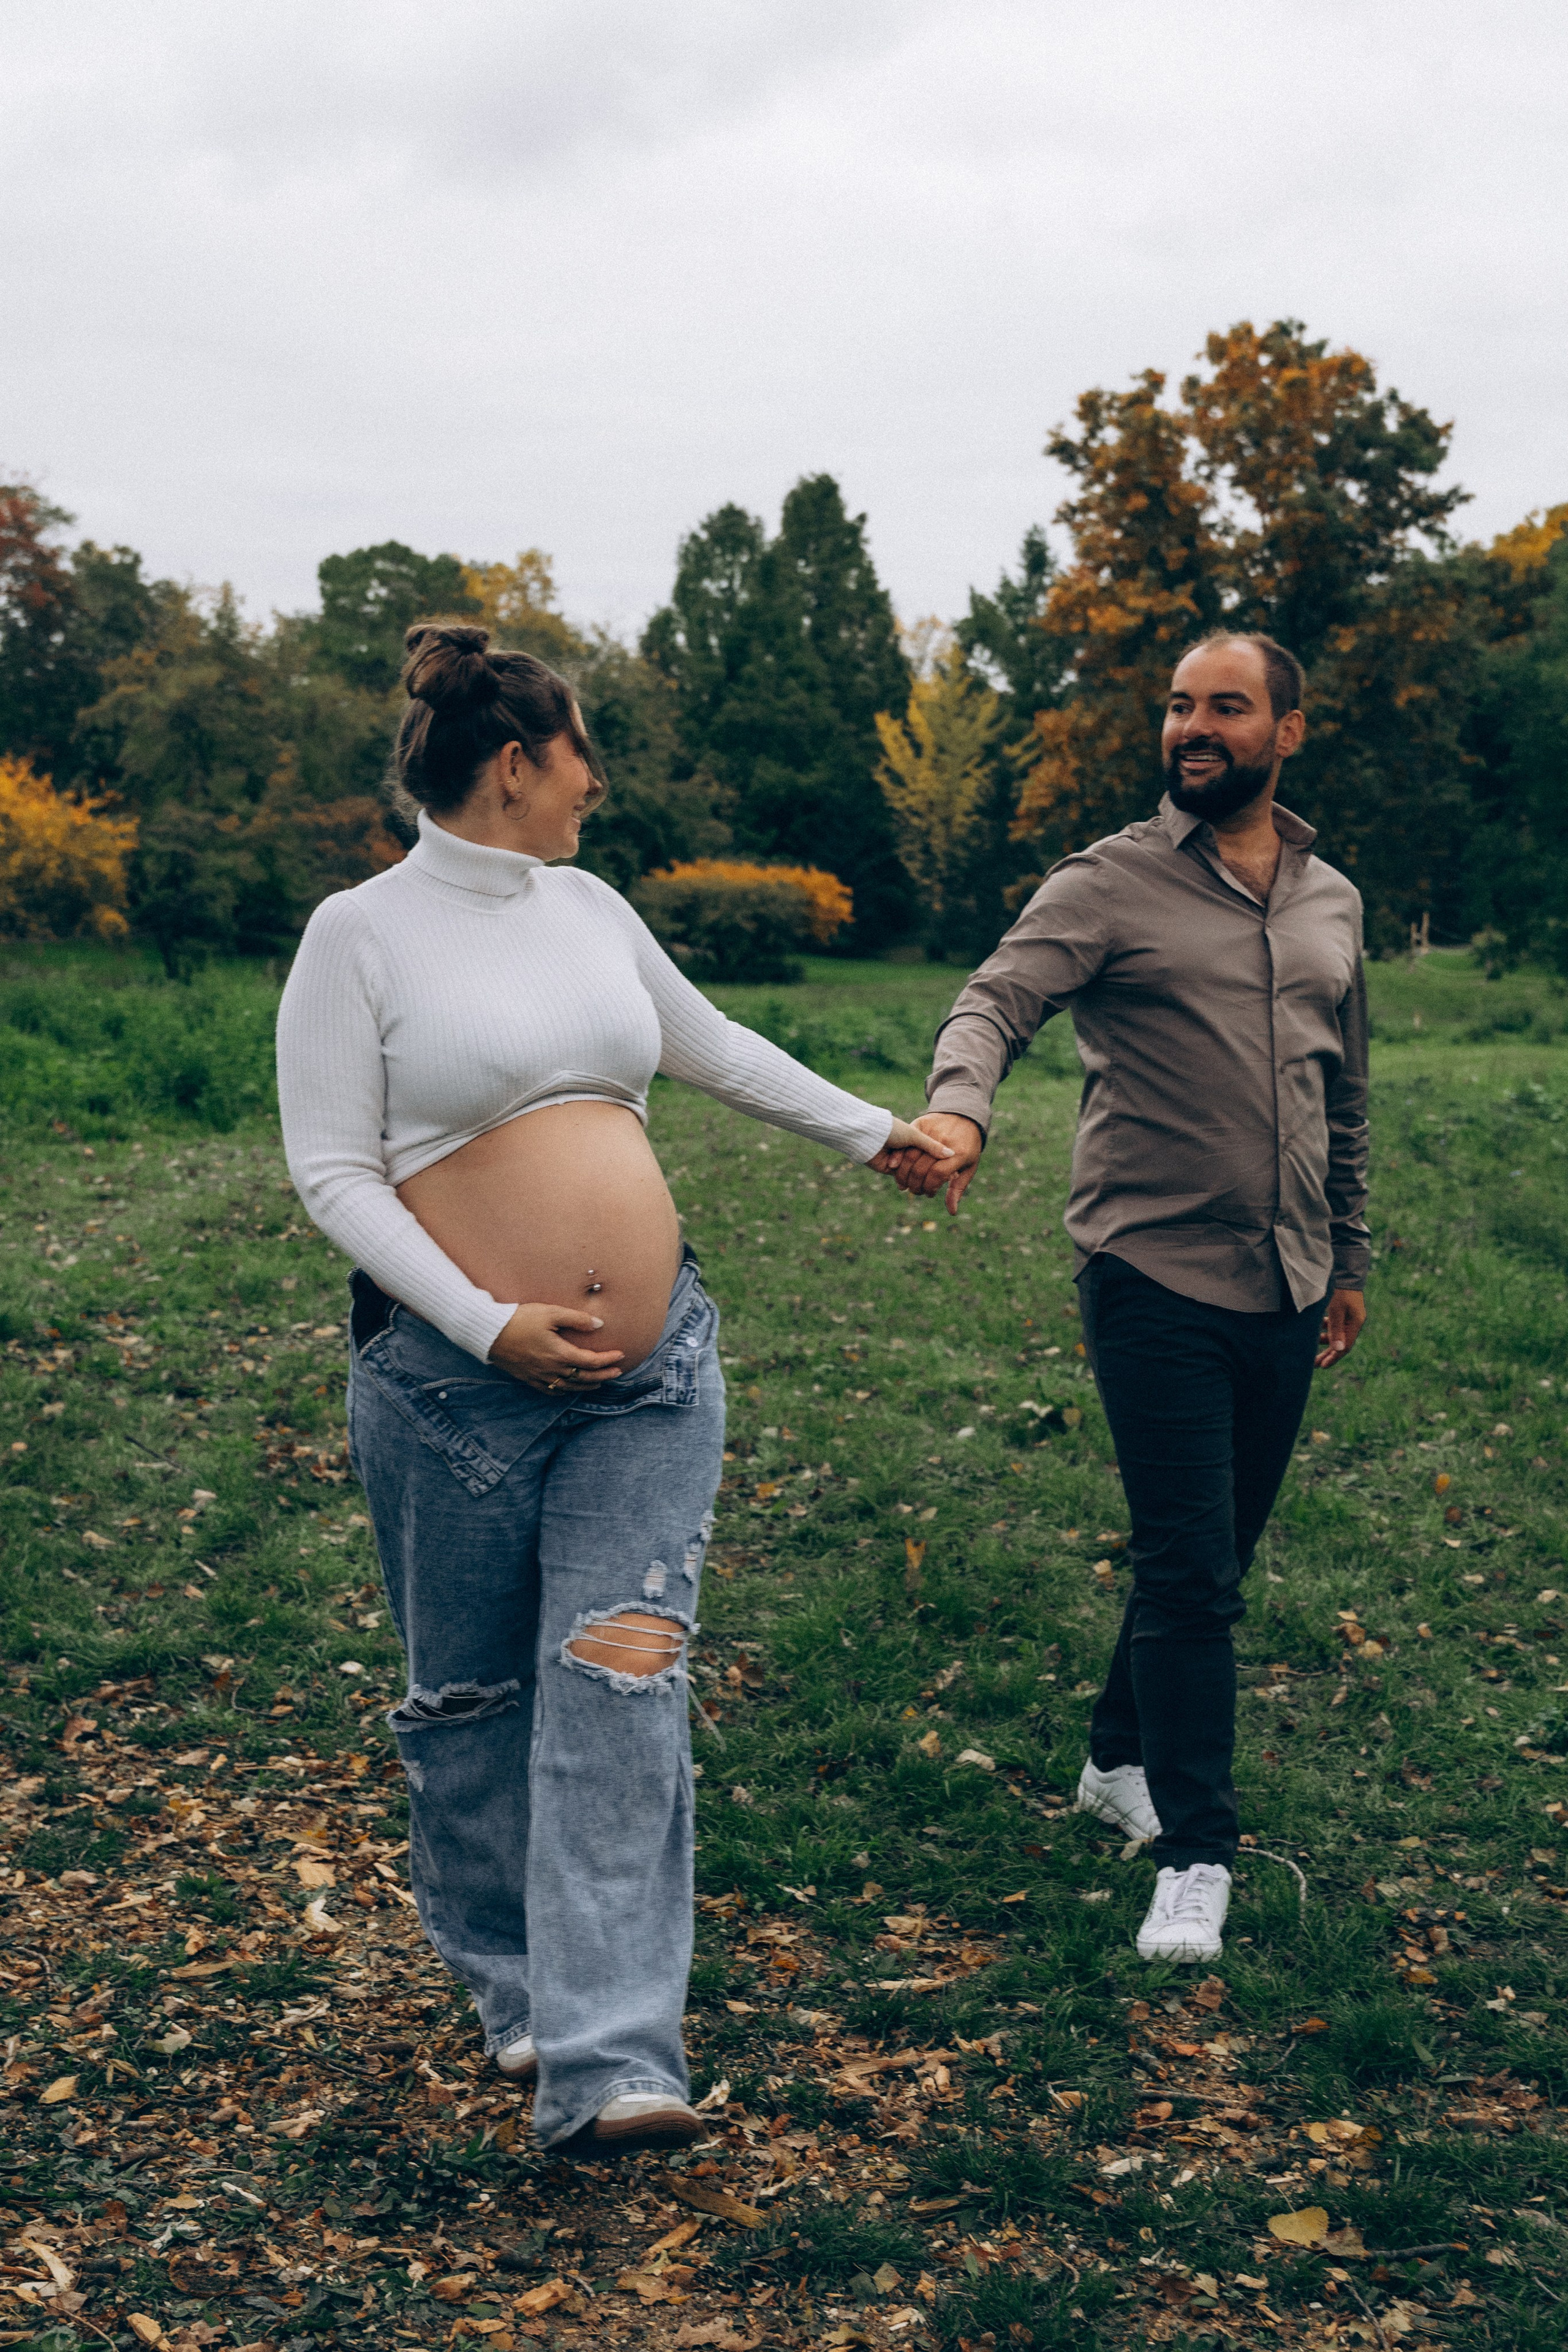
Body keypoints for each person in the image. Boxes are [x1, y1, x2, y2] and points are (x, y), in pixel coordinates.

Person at [275, 622, 949, 2150]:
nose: (598, 784)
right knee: (468, 1701)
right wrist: (483, 1322)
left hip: (652, 1380)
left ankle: (613, 2058)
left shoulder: (588, 908)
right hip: (450, 1391)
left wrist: (873, 1133)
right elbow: (331, 1172)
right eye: (584, 754)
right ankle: (514, 1985)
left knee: (619, 1681)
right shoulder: (359, 935)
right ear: (518, 762)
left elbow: (707, 1046)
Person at [887, 632, 1369, 1964]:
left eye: (1226, 706)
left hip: (1288, 1277)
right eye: (1176, 705)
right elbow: (993, 1002)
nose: (1192, 727)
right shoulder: (1107, 881)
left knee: (1206, 1559)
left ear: (1286, 731)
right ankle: (1196, 1853)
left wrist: (1349, 1256)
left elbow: (1342, 1093)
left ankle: (1117, 1757)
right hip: (1151, 1272)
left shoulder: (1332, 901)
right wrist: (958, 1109)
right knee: (1190, 1573)